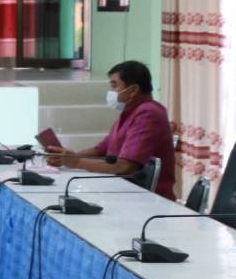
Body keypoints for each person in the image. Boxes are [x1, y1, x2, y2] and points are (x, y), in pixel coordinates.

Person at [45, 60, 176, 198]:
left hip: (147, 198)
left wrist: (76, 162)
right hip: (123, 190)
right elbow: (100, 149)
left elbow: (124, 167)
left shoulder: (148, 113)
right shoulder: (130, 112)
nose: (111, 92)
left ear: (133, 90)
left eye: (114, 86)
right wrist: (67, 157)